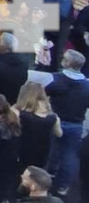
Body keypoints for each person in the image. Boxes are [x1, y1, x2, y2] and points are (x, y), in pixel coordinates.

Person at [45, 49, 89, 195]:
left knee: (52, 150)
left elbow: (43, 94)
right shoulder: (87, 86)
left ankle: (48, 177)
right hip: (76, 125)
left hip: (55, 121)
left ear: (68, 63)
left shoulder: (55, 79)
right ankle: (62, 186)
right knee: (69, 156)